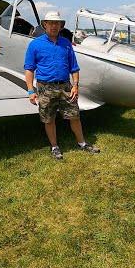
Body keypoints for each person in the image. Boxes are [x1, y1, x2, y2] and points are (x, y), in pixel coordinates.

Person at [24, 11, 100, 160]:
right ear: (44, 24)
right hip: (45, 87)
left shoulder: (66, 43)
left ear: (60, 26)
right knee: (49, 119)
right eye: (50, 23)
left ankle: (82, 143)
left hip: (65, 86)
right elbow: (29, 69)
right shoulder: (35, 44)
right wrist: (30, 91)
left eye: (56, 23)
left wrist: (75, 85)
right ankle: (54, 147)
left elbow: (74, 67)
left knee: (75, 116)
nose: (53, 26)